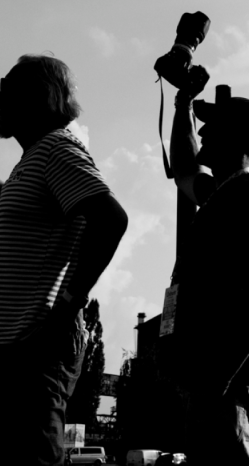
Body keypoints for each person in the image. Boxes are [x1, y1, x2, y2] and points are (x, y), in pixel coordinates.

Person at [0, 54, 128, 465]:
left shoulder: (55, 148)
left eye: (4, 92)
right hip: (17, 347)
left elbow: (112, 219)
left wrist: (68, 305)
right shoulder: (30, 160)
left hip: (35, 347)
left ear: (33, 99)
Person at [169, 82, 249, 466]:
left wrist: (218, 380)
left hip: (230, 387)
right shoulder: (222, 195)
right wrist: (182, 102)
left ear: (236, 138)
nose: (202, 131)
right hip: (215, 385)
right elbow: (184, 168)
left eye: (213, 125)